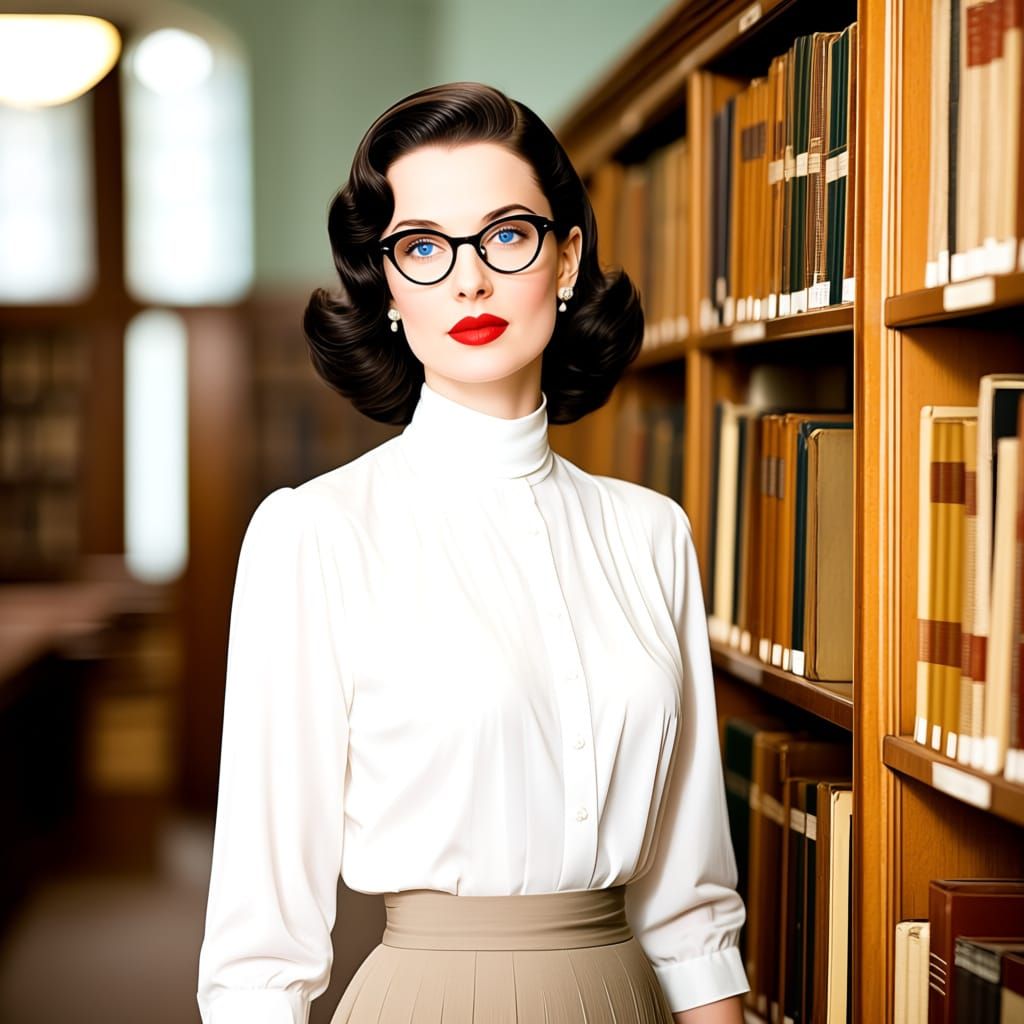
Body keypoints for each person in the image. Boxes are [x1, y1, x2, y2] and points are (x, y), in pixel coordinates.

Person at [196, 81, 749, 1024]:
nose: (469, 281)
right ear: (388, 289)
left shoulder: (651, 532)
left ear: (566, 258)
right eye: (423, 247)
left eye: (506, 235)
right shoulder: (315, 534)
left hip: (629, 999)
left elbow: (690, 909)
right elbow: (260, 943)